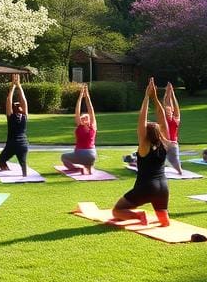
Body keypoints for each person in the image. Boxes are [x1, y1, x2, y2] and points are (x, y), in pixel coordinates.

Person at [112, 78, 174, 226]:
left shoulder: (144, 144)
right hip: (163, 187)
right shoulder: (165, 143)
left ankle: (139, 216)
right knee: (165, 222)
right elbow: (163, 119)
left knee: (117, 211)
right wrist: (155, 98)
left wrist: (147, 97)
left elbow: (141, 120)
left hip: (145, 187)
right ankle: (161, 219)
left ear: (146, 134)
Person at [61, 85, 98, 174]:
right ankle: (88, 169)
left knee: (63, 157)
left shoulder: (80, 126)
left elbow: (77, 111)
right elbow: (91, 110)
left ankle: (76, 169)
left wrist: (80, 97)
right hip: (92, 155)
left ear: (81, 120)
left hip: (80, 154)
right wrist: (87, 97)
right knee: (89, 161)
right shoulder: (93, 126)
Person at [0, 73, 30, 177]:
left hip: (12, 144)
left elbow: (9, 101)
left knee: (1, 161)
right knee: (23, 163)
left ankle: (7, 170)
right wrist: (19, 86)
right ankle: (24, 175)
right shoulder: (24, 116)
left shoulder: (11, 117)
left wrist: (13, 87)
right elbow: (24, 101)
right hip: (23, 144)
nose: (19, 105)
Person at [162, 81, 184, 175]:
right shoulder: (164, 119)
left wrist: (172, 94)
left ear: (172, 111)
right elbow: (165, 103)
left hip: (173, 144)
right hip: (163, 143)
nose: (168, 112)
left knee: (176, 165)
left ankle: (179, 169)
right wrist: (168, 93)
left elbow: (176, 107)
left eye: (169, 111)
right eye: (166, 111)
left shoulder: (176, 120)